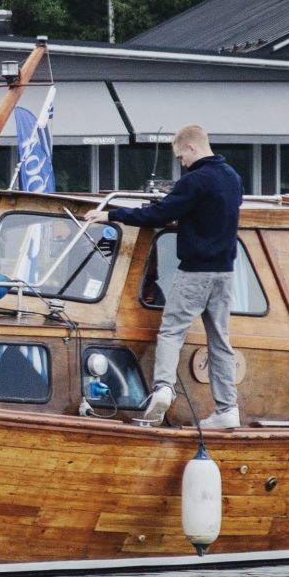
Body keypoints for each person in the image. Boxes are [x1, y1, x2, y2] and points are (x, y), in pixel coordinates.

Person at [98, 124, 244, 431]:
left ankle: (163, 388)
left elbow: (158, 215)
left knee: (171, 333)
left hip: (195, 272)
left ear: (191, 147)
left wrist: (112, 215)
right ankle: (228, 409)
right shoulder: (233, 178)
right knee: (220, 341)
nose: (181, 163)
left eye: (180, 157)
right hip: (226, 273)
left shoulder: (194, 182)